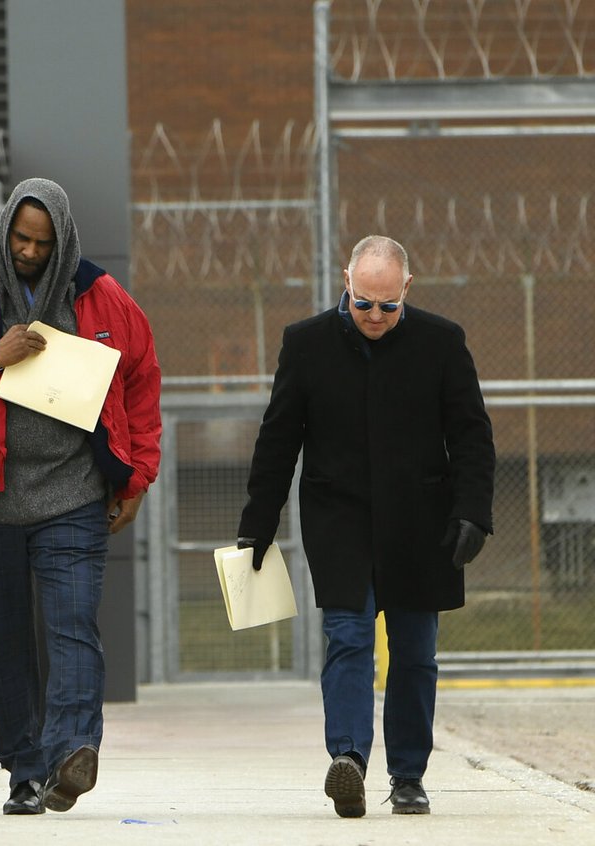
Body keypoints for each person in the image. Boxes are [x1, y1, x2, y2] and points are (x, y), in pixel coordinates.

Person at [0, 178, 161, 816]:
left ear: (63, 240)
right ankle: (24, 767)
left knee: (72, 625)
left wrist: (137, 479)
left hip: (73, 491)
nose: (28, 250)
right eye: (20, 237)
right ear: (4, 231)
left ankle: (72, 750)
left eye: (42, 243)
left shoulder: (104, 300)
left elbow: (141, 387)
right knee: (2, 636)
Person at [236, 235, 495, 817]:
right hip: (339, 520)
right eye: (363, 303)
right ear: (345, 281)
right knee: (348, 636)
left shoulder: (441, 342)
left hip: (421, 522)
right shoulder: (306, 344)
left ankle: (407, 774)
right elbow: (278, 439)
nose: (375, 317)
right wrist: (258, 521)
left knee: (414, 651)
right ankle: (348, 759)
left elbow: (472, 435)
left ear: (406, 290)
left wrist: (474, 512)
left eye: (388, 305)